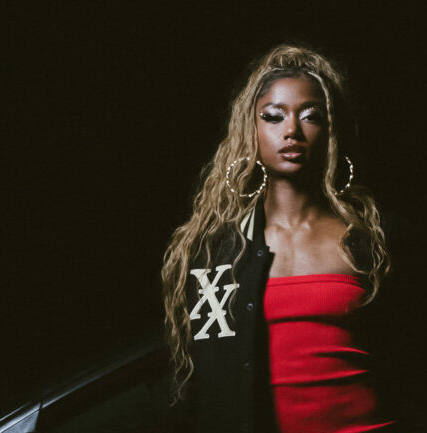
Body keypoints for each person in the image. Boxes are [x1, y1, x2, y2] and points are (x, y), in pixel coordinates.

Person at [160, 44, 394, 433]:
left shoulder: (371, 238)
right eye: (273, 116)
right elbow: (202, 383)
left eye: (311, 116)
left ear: (330, 129)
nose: (291, 131)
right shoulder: (217, 253)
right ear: (251, 130)